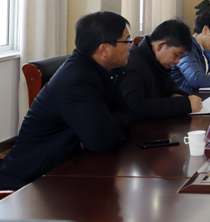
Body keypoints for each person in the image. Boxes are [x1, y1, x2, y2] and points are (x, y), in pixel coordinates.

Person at [0, 11, 137, 189]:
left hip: (67, 169)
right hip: (31, 183)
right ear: (103, 49)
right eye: (127, 40)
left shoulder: (106, 71)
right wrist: (105, 128)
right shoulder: (77, 79)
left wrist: (108, 124)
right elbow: (103, 142)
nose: (131, 46)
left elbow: (130, 113)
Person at [120, 19, 203, 120]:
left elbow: (171, 86)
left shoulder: (157, 61)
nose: (177, 61)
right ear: (161, 46)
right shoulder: (132, 64)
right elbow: (135, 107)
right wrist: (182, 104)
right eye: (176, 55)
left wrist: (177, 95)